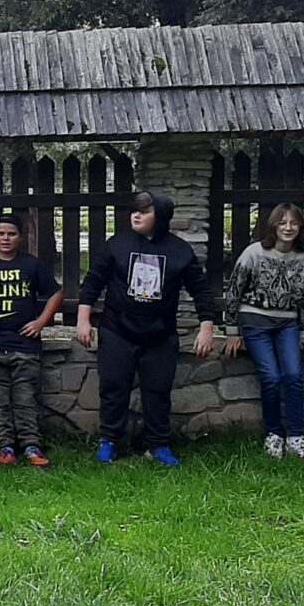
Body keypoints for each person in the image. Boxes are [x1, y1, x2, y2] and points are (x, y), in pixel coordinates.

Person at [75, 190, 217, 466]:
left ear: (161, 216)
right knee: (113, 388)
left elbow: (200, 290)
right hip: (117, 330)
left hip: (160, 335)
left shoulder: (179, 251)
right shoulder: (117, 244)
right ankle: (109, 442)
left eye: (145, 211)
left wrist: (206, 328)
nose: (136, 216)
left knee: (158, 392)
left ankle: (158, 445)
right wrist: (83, 320)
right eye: (135, 210)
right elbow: (93, 282)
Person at [222, 203, 304, 461]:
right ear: (273, 226)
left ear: (301, 227)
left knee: (294, 375)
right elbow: (234, 290)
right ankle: (273, 434)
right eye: (282, 222)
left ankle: (296, 437)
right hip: (255, 321)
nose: (288, 228)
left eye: (294, 223)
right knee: (271, 377)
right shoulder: (254, 253)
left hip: (287, 322)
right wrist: (232, 330)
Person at [0, 214, 65, 467]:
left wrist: (41, 322)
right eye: (1, 234)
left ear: (20, 237)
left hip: (24, 346)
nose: (6, 239)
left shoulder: (31, 265)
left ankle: (31, 446)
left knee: (26, 399)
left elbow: (56, 293)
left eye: (11, 234)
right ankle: (5, 447)